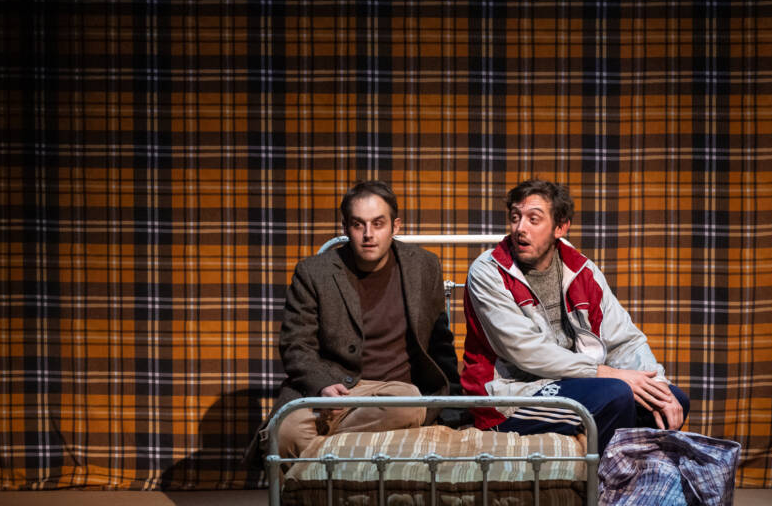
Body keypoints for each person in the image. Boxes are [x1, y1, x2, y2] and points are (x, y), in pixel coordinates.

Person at [461, 178, 688, 454]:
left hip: (572, 383)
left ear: (560, 227)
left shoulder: (581, 270)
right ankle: (607, 479)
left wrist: (658, 384)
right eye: (515, 217)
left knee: (672, 400)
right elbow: (527, 351)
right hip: (510, 396)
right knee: (614, 395)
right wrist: (603, 373)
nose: (520, 228)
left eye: (533, 219)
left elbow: (625, 340)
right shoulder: (488, 271)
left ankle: (635, 476)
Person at [252, 180, 460, 461]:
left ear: (395, 227)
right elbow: (296, 344)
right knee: (285, 434)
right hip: (331, 390)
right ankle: (331, 453)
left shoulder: (424, 266)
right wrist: (323, 385)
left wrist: (455, 407)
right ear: (345, 228)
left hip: (394, 394)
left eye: (378, 224)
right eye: (358, 224)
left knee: (408, 403)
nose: (368, 235)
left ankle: (320, 452)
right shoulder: (314, 272)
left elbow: (440, 343)